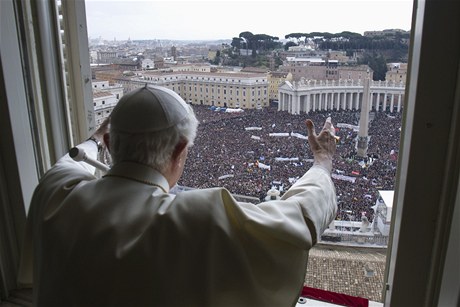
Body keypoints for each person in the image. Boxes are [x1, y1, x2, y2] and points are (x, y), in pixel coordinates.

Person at [18, 85, 337, 306]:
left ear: (111, 145)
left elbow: (68, 162)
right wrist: (322, 162)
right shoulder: (199, 218)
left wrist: (95, 139)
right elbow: (301, 219)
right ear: (180, 150)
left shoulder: (55, 192)